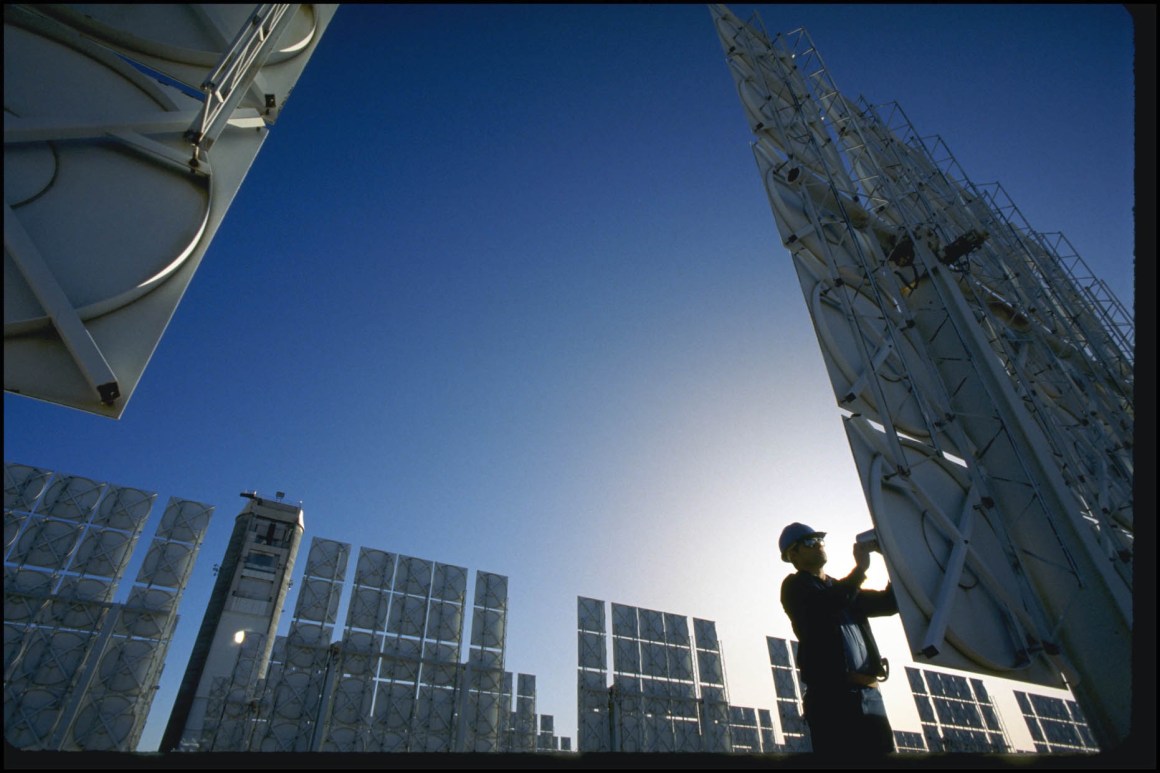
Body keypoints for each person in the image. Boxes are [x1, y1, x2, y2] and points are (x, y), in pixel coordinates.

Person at [779, 521, 899, 754]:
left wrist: (892, 557)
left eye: (820, 540)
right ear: (792, 553)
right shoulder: (795, 587)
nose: (818, 545)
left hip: (870, 696)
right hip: (831, 699)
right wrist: (860, 569)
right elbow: (828, 604)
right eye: (810, 542)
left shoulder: (841, 588)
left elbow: (889, 603)